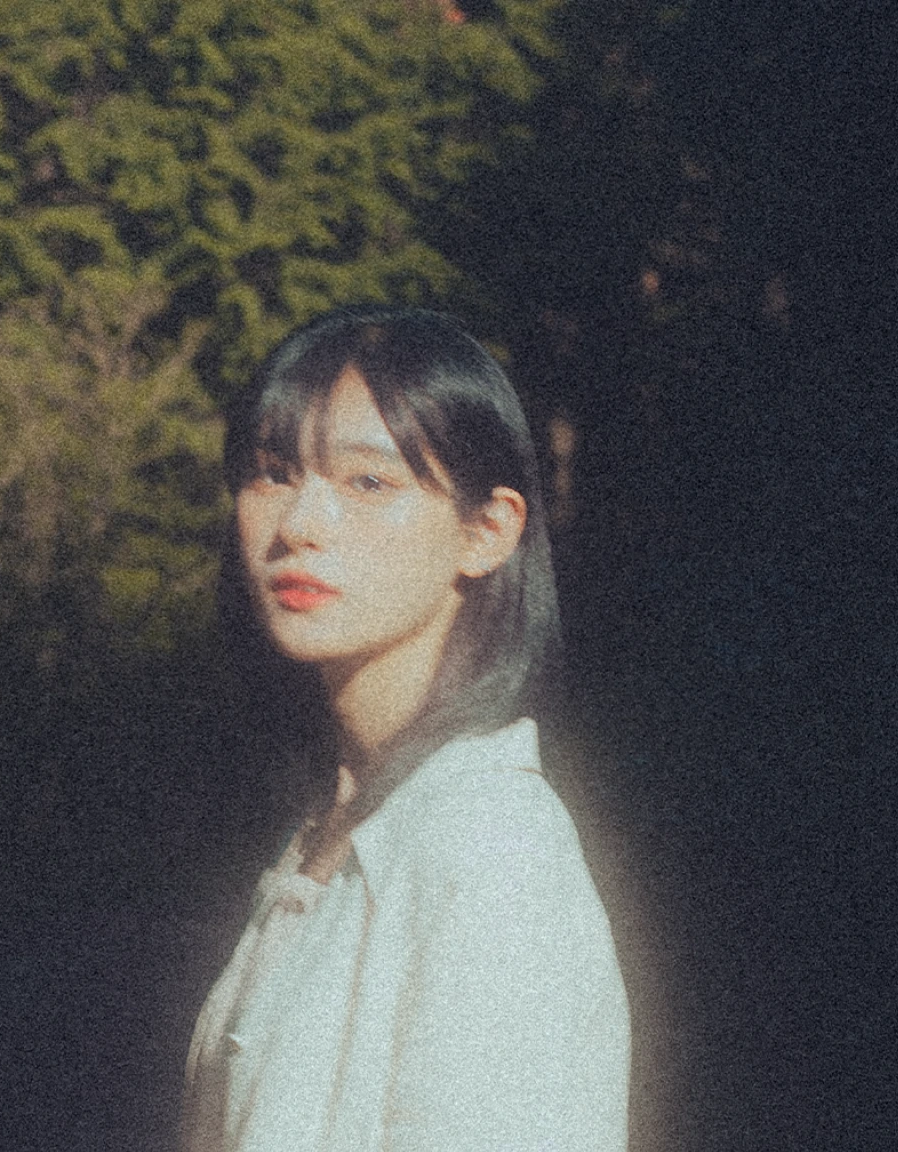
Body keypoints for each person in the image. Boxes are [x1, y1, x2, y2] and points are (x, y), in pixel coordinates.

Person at [181, 307, 630, 1152]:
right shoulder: (334, 822)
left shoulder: (493, 848)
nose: (299, 525)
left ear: (486, 531)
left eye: (367, 483)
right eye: (273, 474)